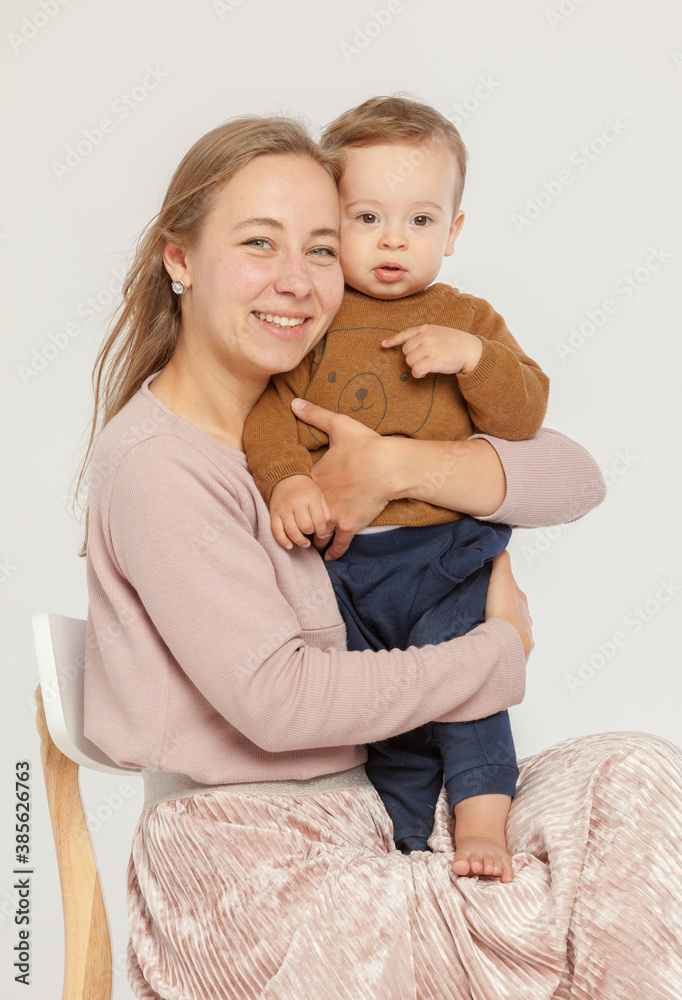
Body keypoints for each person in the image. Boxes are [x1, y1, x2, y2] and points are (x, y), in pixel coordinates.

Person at [78, 114, 682, 1000]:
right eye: (259, 243)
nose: (296, 281)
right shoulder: (160, 466)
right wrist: (496, 653)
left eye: (324, 248)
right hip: (255, 869)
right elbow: (280, 705)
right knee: (571, 914)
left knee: (638, 781)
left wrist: (398, 465)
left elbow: (574, 477)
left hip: (375, 811)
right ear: (181, 260)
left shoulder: (327, 401)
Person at [242, 95, 551, 875]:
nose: (392, 240)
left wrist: (475, 360)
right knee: (380, 708)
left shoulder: (467, 316)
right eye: (367, 217)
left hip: (442, 552)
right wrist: (285, 484)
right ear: (332, 224)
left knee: (473, 684)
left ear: (452, 230)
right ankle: (407, 837)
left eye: (419, 222)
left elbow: (527, 414)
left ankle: (483, 825)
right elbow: (270, 414)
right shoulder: (315, 312)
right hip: (342, 566)